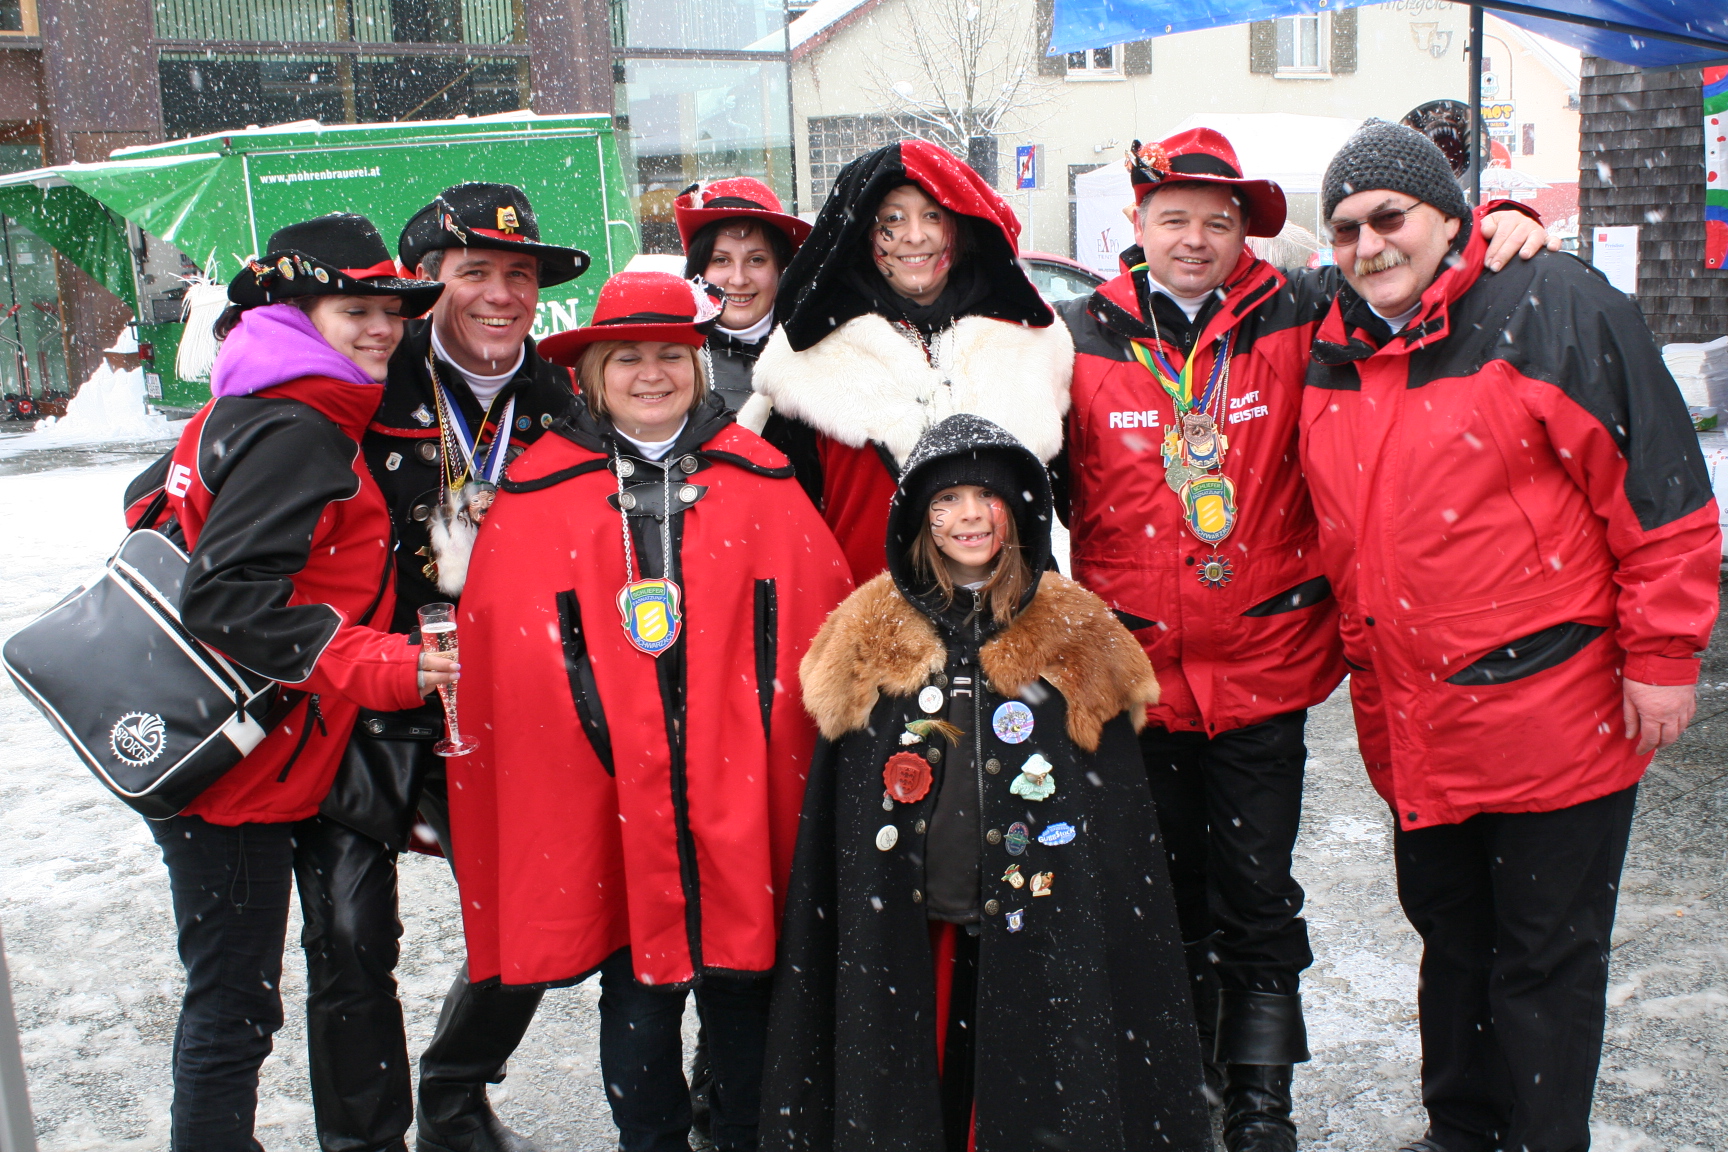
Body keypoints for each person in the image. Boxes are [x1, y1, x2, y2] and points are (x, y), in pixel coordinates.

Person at [1058, 127, 1556, 1151]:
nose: (1195, 240)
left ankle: (1260, 1101)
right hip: (1135, 674)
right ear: (1136, 224)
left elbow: (1415, 269)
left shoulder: (1301, 312)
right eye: (1174, 219)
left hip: (1261, 669)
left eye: (1218, 222)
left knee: (1255, 895)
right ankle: (1179, 1081)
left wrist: (1504, 221)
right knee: (1159, 897)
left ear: (1245, 232)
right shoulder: (1075, 338)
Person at [1298, 120, 1721, 1152]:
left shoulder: (1553, 306)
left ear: (1451, 217)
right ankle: (1463, 1131)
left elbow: (1661, 495)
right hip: (1417, 722)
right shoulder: (1332, 340)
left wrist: (1664, 656)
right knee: (1453, 943)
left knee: (1542, 959)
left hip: (1554, 710)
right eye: (1346, 229)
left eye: (1390, 218)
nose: (1369, 245)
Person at [447, 270, 854, 1152]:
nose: (650, 374)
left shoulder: (759, 477)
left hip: (736, 781)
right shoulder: (539, 491)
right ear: (594, 373)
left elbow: (818, 630)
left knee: (745, 986)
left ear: (697, 366)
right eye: (626, 357)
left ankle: (743, 1138)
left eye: (670, 355)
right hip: (610, 784)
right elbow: (511, 658)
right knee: (637, 992)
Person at [760, 412, 1211, 1152]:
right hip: (914, 919)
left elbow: (1111, 817)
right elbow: (847, 805)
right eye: (946, 500)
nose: (969, 516)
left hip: (1043, 920)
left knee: (1033, 1074)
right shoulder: (870, 631)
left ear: (1018, 510)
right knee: (917, 1065)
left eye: (987, 497)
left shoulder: (1075, 632)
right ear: (919, 517)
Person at [121, 213, 454, 1152]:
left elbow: (148, 503)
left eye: (391, 310)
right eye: (356, 311)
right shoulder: (300, 428)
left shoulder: (248, 401)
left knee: (231, 997)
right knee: (233, 1005)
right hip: (231, 776)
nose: (383, 329)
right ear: (296, 315)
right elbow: (224, 597)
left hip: (209, 744)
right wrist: (382, 663)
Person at [309, 182, 591, 1152]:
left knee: (531, 917)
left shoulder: (562, 401)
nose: (502, 295)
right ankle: (364, 1143)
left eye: (519, 274)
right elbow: (231, 480)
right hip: (361, 693)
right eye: (475, 272)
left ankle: (454, 1100)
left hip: (500, 703)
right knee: (350, 939)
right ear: (426, 283)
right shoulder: (363, 380)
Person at [745, 139, 1073, 583]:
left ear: (958, 226)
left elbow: (1066, 505)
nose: (915, 236)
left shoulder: (1033, 345)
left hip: (1007, 614)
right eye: (893, 219)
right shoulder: (805, 360)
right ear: (862, 234)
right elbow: (779, 535)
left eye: (933, 216)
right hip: (865, 617)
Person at [675, 178, 811, 411]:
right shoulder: (669, 361)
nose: (738, 279)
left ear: (781, 269)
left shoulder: (821, 350)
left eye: (756, 260)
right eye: (721, 260)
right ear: (699, 271)